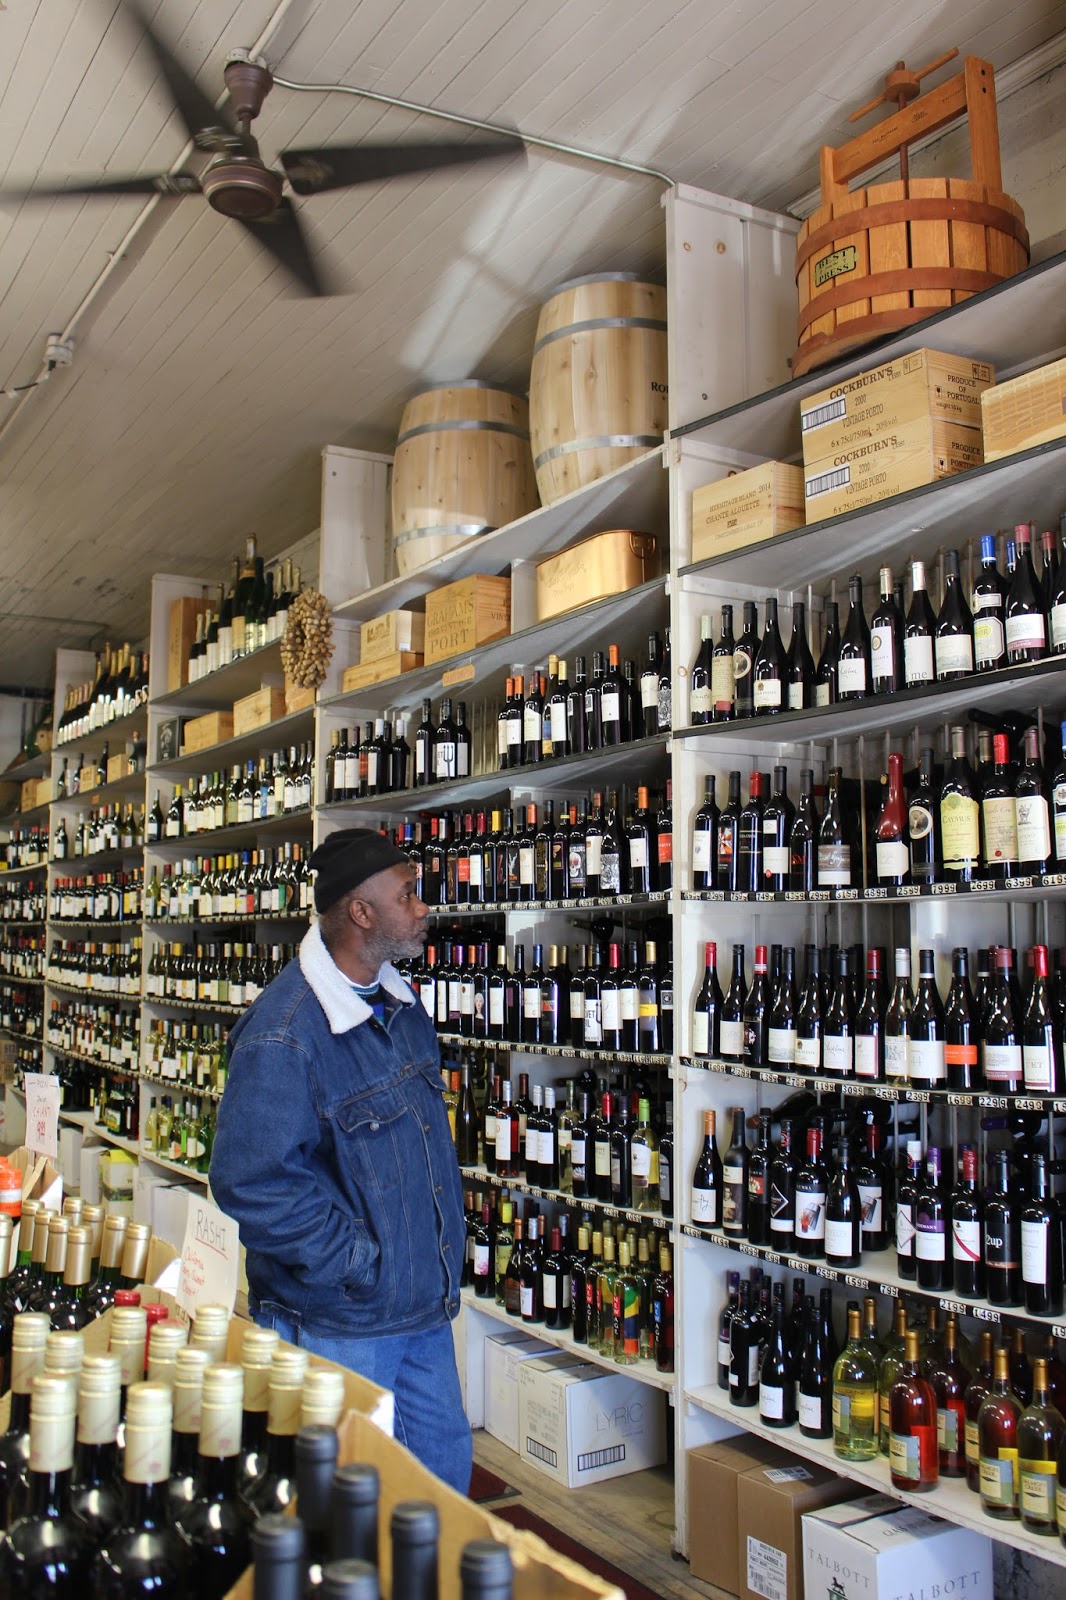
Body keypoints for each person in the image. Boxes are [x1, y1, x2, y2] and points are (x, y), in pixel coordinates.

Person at [209, 826, 471, 1492]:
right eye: (408, 895)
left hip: (421, 1312)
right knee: (337, 1515)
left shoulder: (401, 1007)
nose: (423, 908)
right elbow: (252, 1182)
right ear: (361, 912)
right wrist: (360, 1265)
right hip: (337, 1322)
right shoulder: (284, 1033)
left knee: (440, 1495)